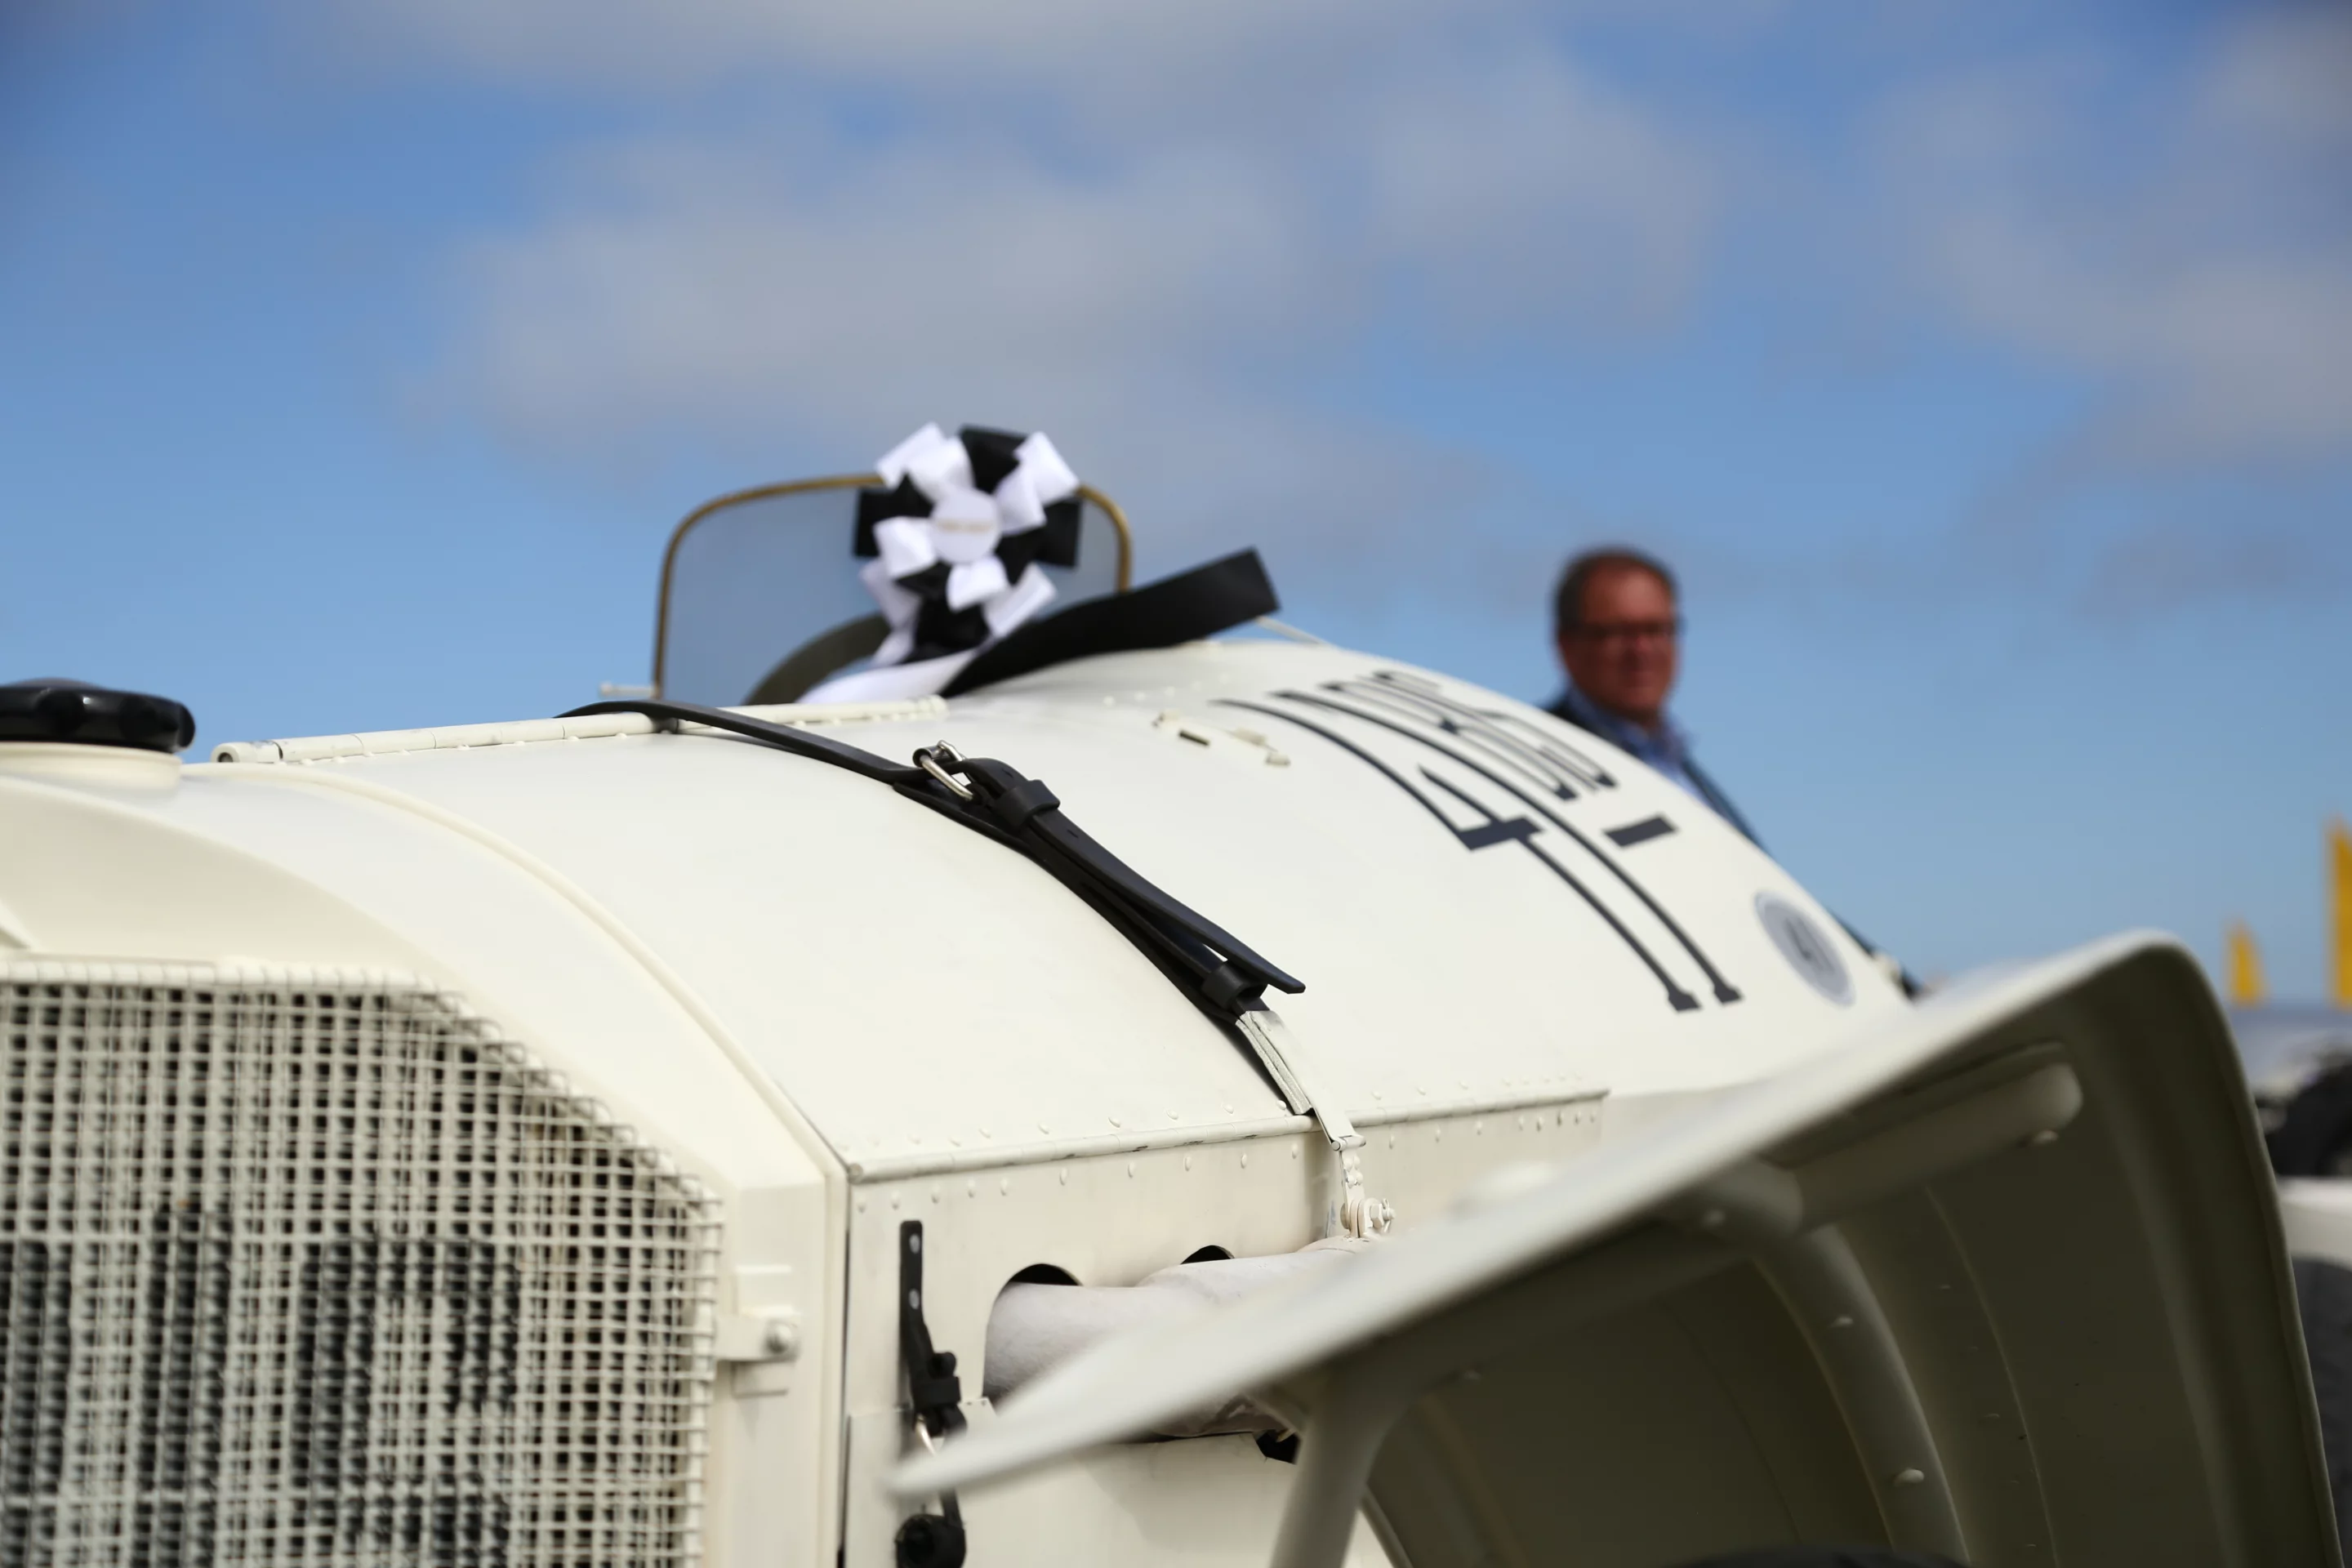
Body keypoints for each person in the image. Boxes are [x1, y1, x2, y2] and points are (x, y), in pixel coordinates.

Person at [1545, 547, 1756, 841]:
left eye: (1656, 629)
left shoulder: (1678, 763)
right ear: (1567, 645)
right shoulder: (1544, 758)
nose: (1641, 650)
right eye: (1619, 632)